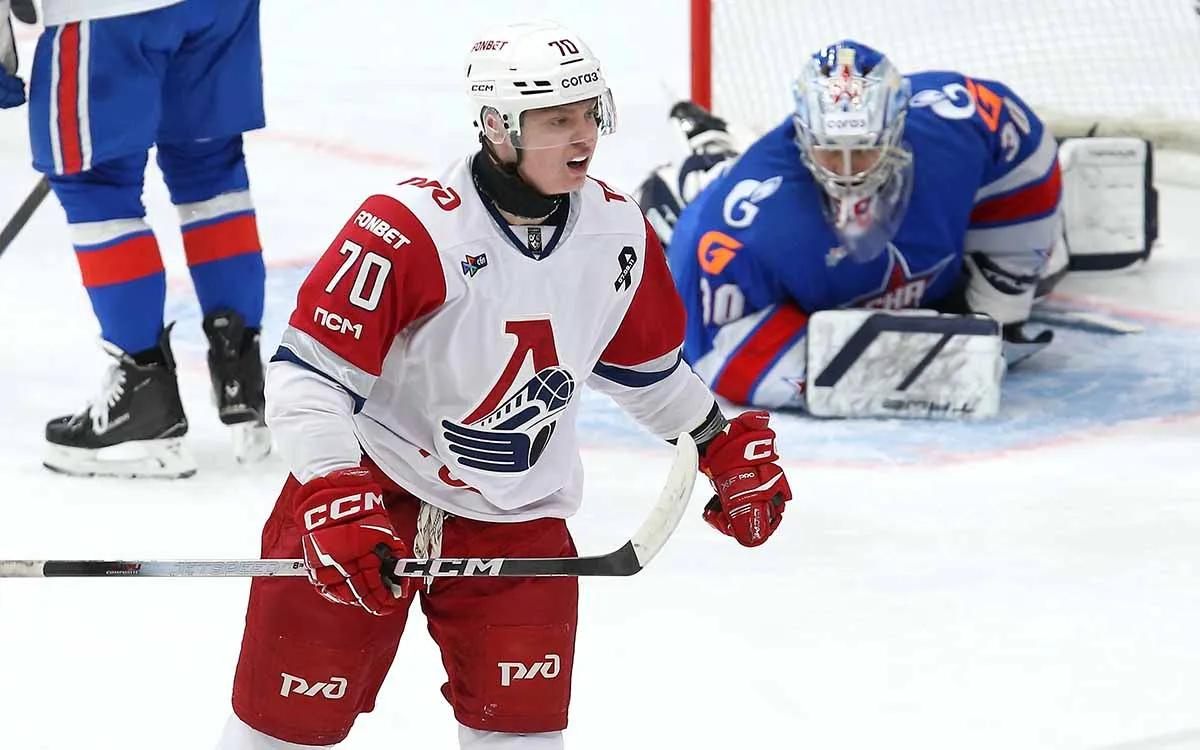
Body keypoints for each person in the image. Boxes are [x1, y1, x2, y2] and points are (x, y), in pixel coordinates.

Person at [215, 21, 793, 750]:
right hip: (371, 499)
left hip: (518, 518)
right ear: (496, 125)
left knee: (521, 739)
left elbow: (647, 374)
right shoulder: (408, 229)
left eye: (589, 113)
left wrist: (715, 440)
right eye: (556, 120)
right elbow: (309, 376)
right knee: (281, 735)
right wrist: (332, 488)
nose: (582, 137)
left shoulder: (618, 232)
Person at [638, 39, 1075, 413]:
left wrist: (1001, 308)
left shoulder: (963, 120)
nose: (848, 173)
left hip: (873, 274)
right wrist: (902, 366)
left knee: (1050, 266)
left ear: (897, 127)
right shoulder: (734, 222)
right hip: (742, 227)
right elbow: (718, 354)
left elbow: (1028, 161)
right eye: (830, 151)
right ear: (802, 137)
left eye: (864, 149)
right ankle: (707, 155)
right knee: (677, 206)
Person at [2, 0, 271, 477]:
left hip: (109, 11)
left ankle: (143, 398)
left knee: (95, 182)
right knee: (209, 165)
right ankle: (242, 376)